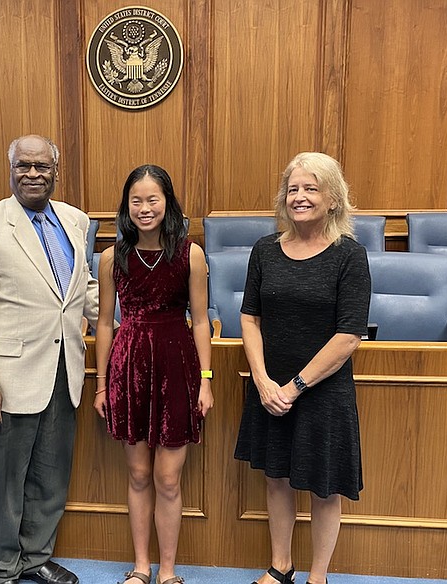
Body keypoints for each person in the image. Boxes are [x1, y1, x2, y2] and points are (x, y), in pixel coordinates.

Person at [0, 135, 98, 584]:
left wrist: (130, 317)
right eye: (23, 166)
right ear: (10, 169)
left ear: (57, 169)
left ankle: (35, 558)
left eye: (41, 166)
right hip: (5, 378)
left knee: (49, 479)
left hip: (63, 371)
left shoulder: (75, 220)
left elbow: (82, 289)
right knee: (0, 484)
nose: (33, 174)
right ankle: (0, 570)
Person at [234, 152, 371, 584]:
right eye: (293, 189)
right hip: (269, 386)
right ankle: (281, 566)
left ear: (333, 198)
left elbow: (348, 336)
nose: (300, 196)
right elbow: (249, 317)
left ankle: (318, 575)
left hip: (322, 390)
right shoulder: (265, 250)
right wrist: (261, 379)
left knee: (323, 486)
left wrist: (293, 387)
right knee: (276, 476)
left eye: (311, 188)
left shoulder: (349, 255)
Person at [93, 165, 213, 584]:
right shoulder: (113, 256)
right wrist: (101, 382)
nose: (144, 208)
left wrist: (207, 378)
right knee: (139, 474)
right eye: (136, 201)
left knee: (167, 477)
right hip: (129, 368)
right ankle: (141, 567)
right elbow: (105, 323)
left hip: (177, 366)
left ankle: (167, 570)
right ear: (126, 207)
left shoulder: (190, 253)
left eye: (153, 199)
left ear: (168, 202)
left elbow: (200, 321)